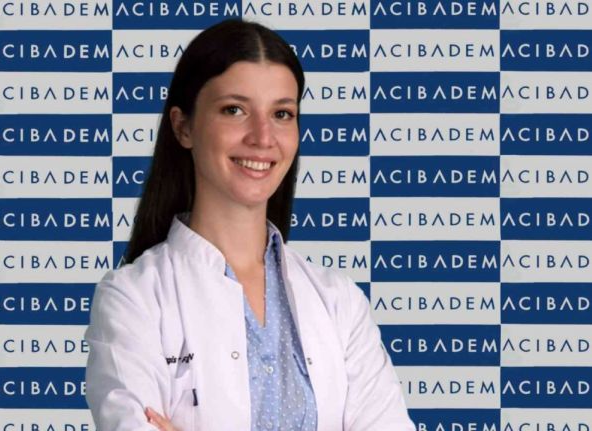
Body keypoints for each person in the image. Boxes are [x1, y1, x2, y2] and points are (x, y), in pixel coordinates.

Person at [84, 18, 416, 431]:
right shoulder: (133, 300)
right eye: (234, 110)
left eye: (282, 113)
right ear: (183, 126)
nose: (262, 137)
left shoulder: (339, 303)